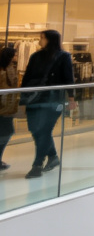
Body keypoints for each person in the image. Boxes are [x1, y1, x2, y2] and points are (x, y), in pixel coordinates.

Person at [21, 30, 74, 178]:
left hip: (55, 100)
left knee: (44, 130)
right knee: (36, 130)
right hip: (35, 99)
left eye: (42, 38)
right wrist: (24, 96)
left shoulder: (63, 56)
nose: (39, 41)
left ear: (50, 39)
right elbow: (27, 77)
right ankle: (53, 157)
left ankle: (37, 164)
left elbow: (68, 79)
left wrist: (71, 98)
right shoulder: (35, 56)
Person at [0, 46, 18, 170]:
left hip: (7, 106)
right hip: (5, 107)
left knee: (6, 132)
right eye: (15, 55)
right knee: (7, 132)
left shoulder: (9, 68)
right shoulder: (7, 69)